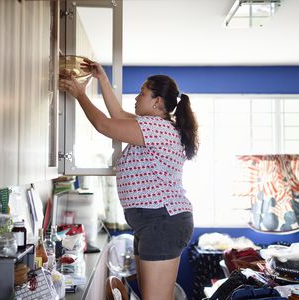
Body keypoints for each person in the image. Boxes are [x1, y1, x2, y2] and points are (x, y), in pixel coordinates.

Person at [59, 60, 198, 300]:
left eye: (141, 93)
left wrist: (80, 95)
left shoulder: (159, 128)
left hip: (162, 220)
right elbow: (118, 115)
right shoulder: (153, 126)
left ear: (157, 102)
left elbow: (104, 124)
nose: (136, 98)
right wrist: (102, 78)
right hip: (153, 221)